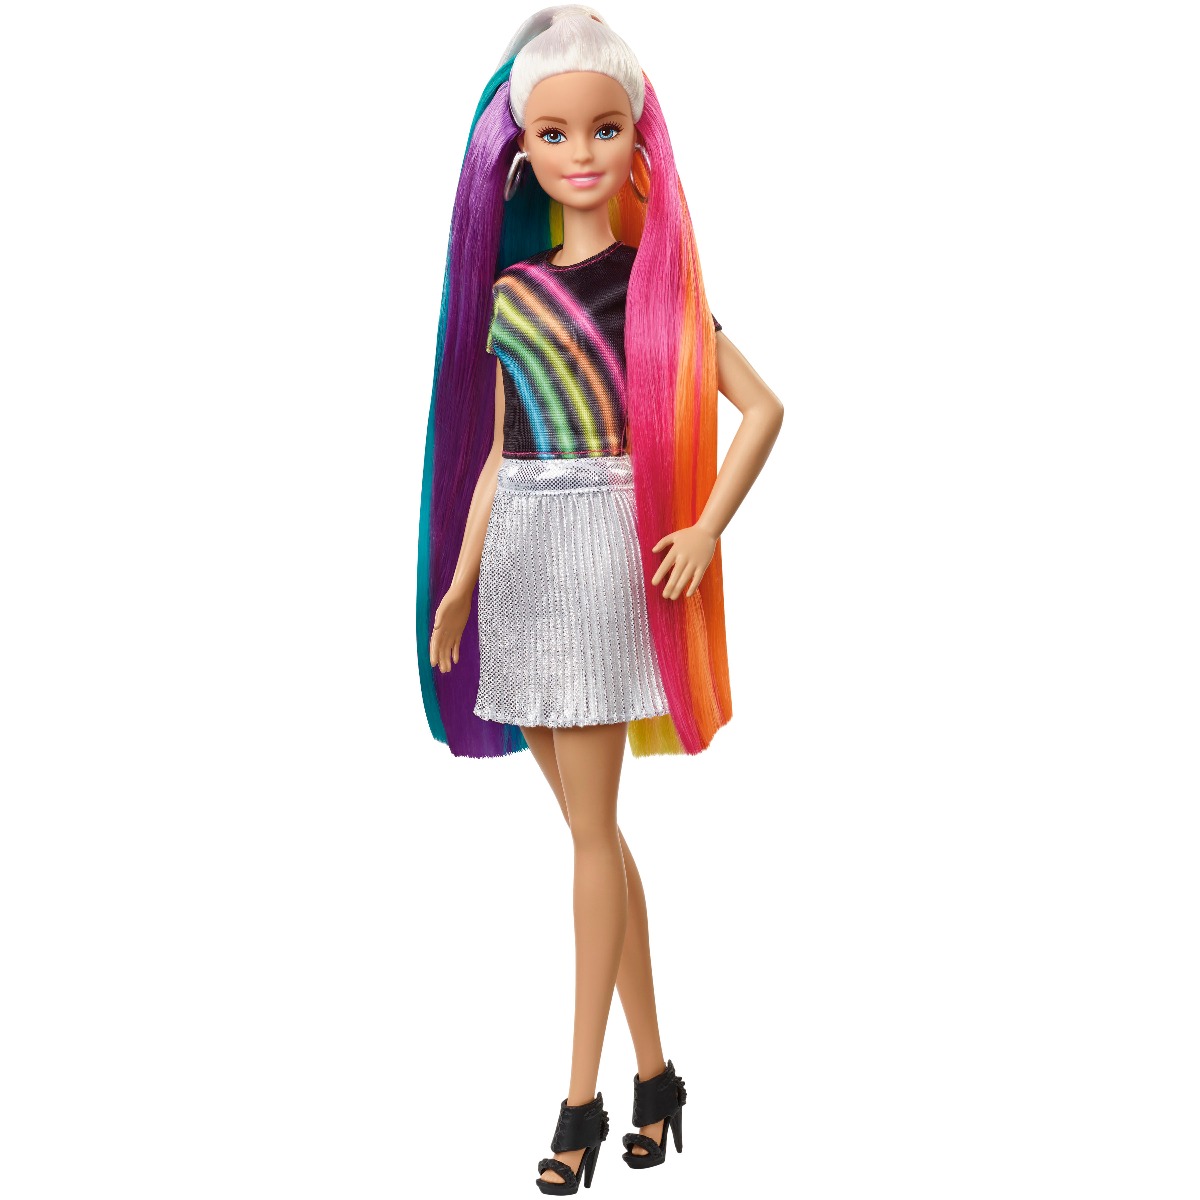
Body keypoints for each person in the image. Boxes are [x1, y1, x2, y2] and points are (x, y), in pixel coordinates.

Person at [415, 6, 784, 1192]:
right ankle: (661, 1077)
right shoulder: (512, 292)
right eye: (558, 132)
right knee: (594, 834)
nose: (583, 152)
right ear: (522, 152)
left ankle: (579, 1101)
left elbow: (763, 408)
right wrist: (460, 586)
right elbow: (496, 453)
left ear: (637, 141)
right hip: (521, 559)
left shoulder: (653, 286)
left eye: (607, 128)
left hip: (605, 553)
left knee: (587, 836)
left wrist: (707, 525)